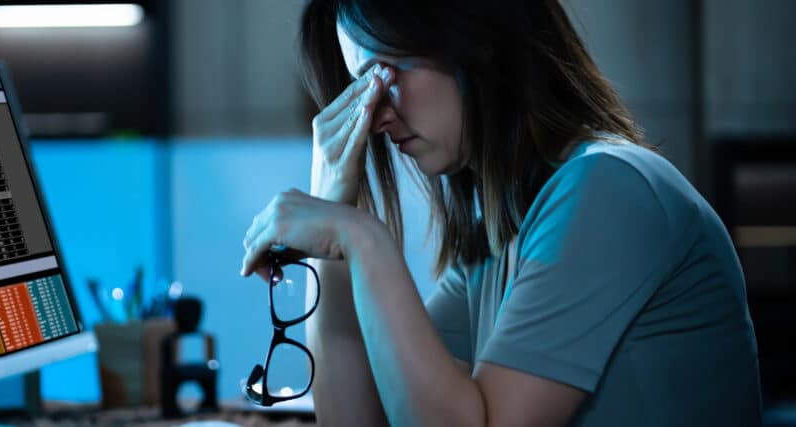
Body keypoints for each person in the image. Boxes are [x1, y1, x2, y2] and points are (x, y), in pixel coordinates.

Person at [240, 0, 763, 426]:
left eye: (385, 72)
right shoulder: (502, 234)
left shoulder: (610, 189)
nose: (373, 115)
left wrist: (365, 239)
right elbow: (363, 421)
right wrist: (334, 204)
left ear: (477, 40)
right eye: (360, 87)